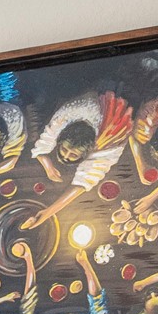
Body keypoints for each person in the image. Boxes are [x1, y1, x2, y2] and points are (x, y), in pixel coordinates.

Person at [24, 91, 132, 229]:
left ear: (89, 151)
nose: (65, 157)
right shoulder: (65, 117)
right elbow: (46, 140)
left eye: (74, 155)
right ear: (61, 138)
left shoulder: (109, 140)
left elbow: (85, 181)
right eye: (64, 149)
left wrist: (48, 212)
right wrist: (48, 165)